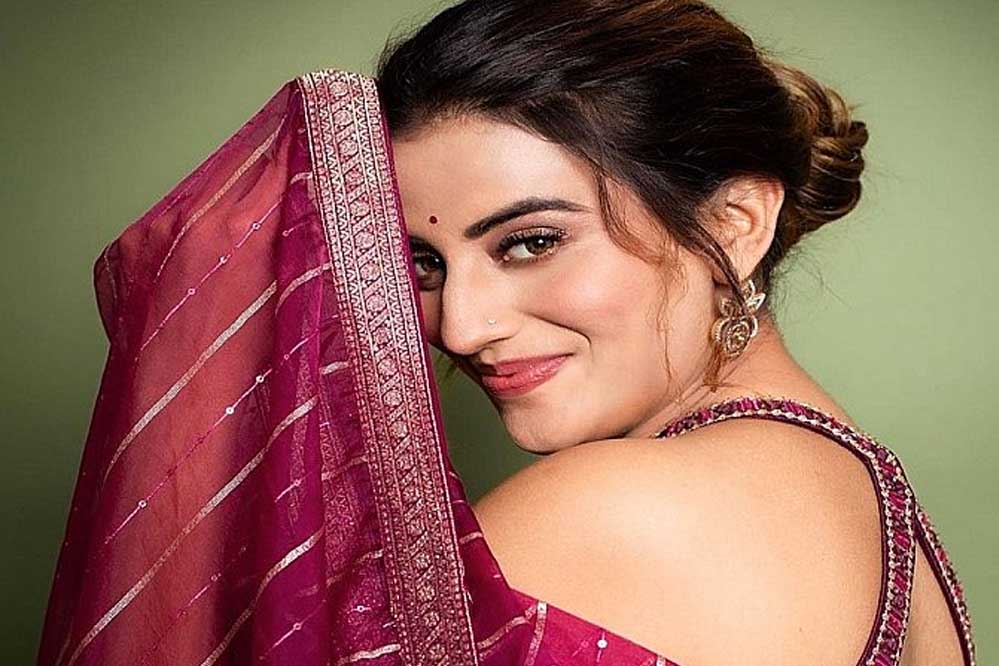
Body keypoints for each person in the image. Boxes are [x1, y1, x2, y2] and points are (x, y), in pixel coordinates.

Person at [35, 3, 973, 666]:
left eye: (530, 242)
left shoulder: (615, 510)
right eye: (422, 263)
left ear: (733, 222)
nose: (460, 324)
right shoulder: (871, 505)